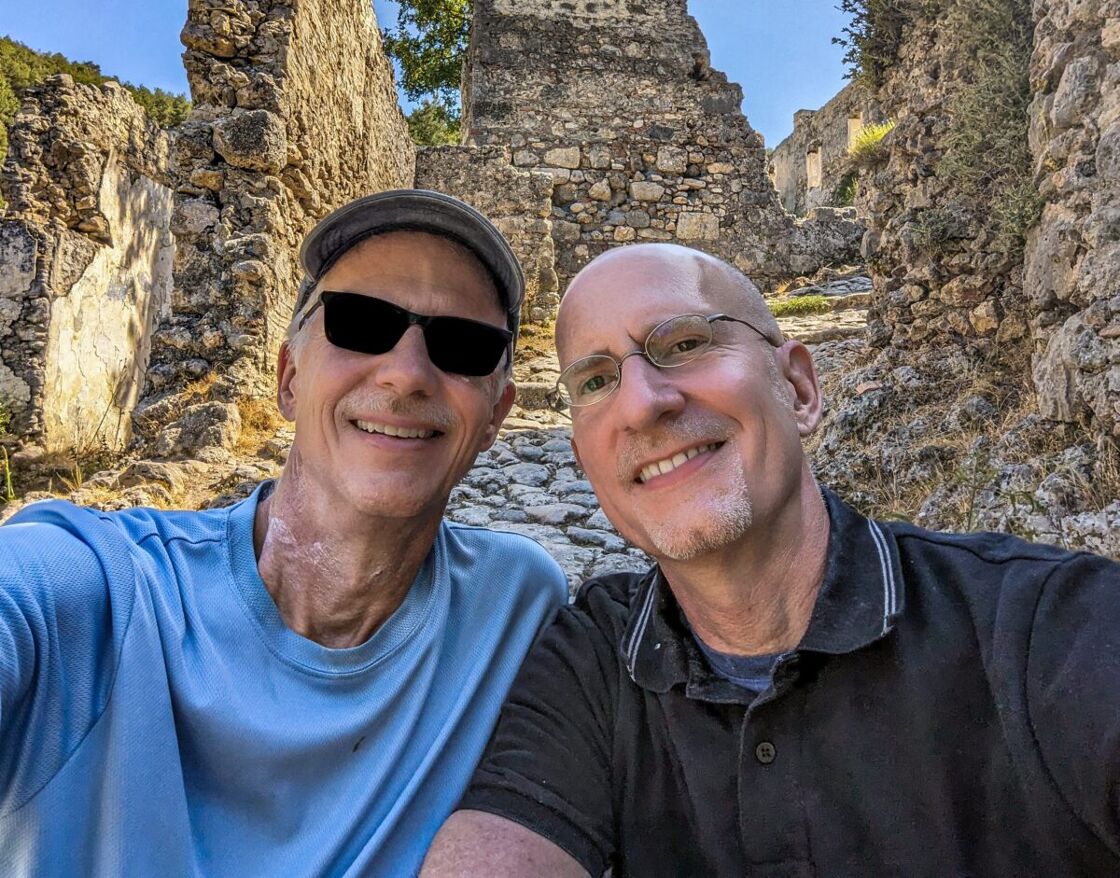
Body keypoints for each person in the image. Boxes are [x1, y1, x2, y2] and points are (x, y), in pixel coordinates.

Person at [422, 242, 1120, 877]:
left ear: (800, 390)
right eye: (597, 381)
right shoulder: (592, 664)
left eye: (685, 342)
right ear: (583, 461)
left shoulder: (1043, 632)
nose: (641, 404)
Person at [0, 190, 568, 877]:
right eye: (362, 323)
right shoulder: (102, 593)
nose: (407, 373)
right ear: (290, 376)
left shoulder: (515, 605)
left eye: (462, 346)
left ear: (495, 416)